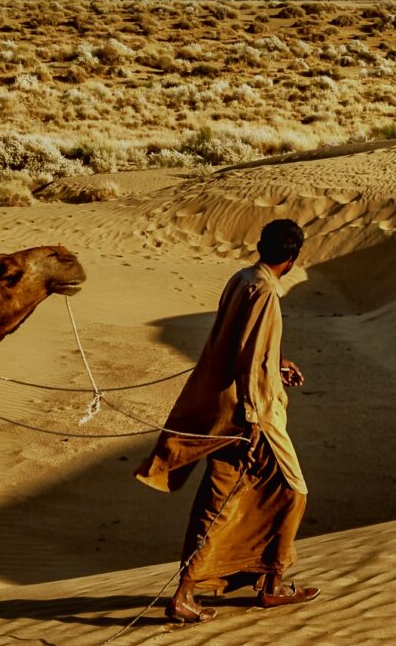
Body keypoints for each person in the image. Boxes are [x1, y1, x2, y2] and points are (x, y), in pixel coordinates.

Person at [136, 217, 319, 624]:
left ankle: (268, 582)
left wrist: (277, 364)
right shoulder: (266, 292)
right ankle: (193, 594)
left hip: (233, 405)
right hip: (246, 414)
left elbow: (245, 345)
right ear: (292, 258)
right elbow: (249, 356)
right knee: (287, 492)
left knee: (239, 496)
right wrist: (251, 420)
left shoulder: (243, 278)